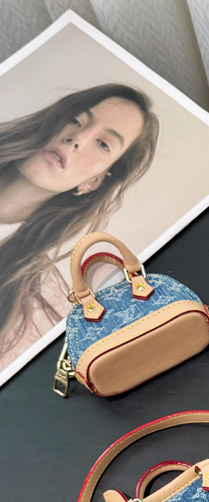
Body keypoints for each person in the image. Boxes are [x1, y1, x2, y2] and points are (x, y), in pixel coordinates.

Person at [0, 83, 159, 371]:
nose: (78, 138)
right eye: (77, 120)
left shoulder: (28, 297)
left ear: (94, 182)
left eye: (103, 144)